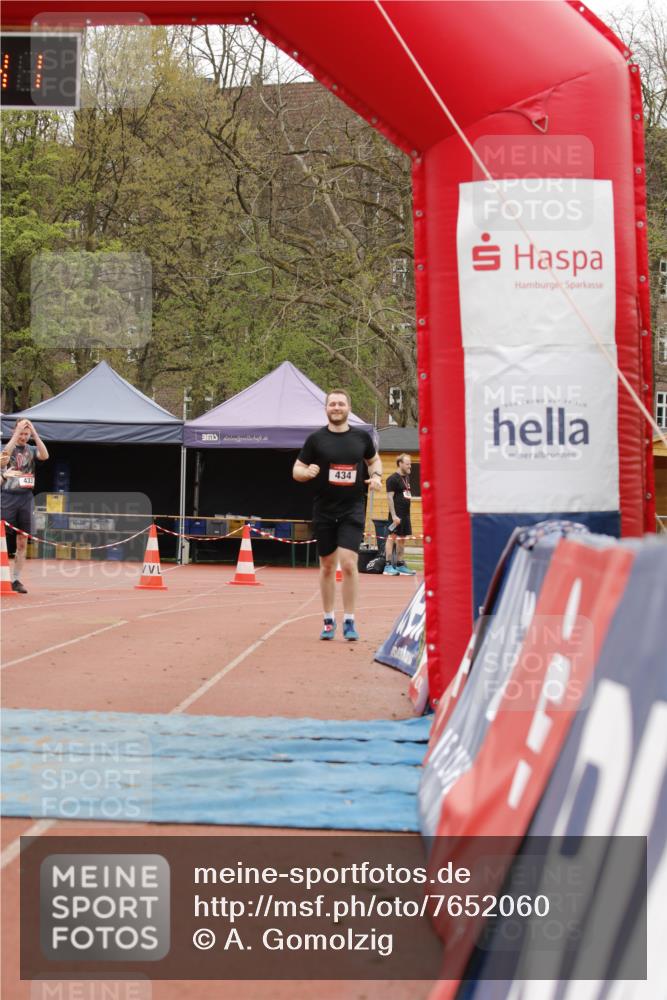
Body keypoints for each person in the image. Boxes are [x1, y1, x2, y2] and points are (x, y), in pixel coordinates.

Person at [293, 389, 382, 641]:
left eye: (341, 404)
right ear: (326, 408)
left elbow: (374, 462)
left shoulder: (361, 438)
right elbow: (296, 469)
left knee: (349, 563)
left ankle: (350, 620)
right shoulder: (315, 440)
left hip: (352, 508)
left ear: (348, 408)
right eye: (332, 404)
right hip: (324, 509)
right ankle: (328, 618)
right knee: (327, 566)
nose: (336, 407)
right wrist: (305, 472)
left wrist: (376, 477)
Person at [1, 419, 49, 593]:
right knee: (2, 539)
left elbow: (45, 455)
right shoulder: (7, 446)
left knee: (22, 541)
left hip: (26, 498)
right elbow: (4, 455)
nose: (23, 437)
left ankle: (16, 579)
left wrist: (35, 433)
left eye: (25, 434)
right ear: (15, 432)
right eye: (21, 433)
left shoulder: (32, 449)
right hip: (7, 496)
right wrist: (16, 433)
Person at [384, 452, 417, 576]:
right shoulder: (392, 479)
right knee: (391, 537)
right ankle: (387, 566)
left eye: (410, 464)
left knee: (402, 539)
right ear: (400, 463)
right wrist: (393, 516)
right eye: (407, 464)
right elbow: (390, 498)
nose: (410, 466)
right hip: (396, 515)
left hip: (405, 514)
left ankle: (400, 564)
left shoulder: (406, 478)